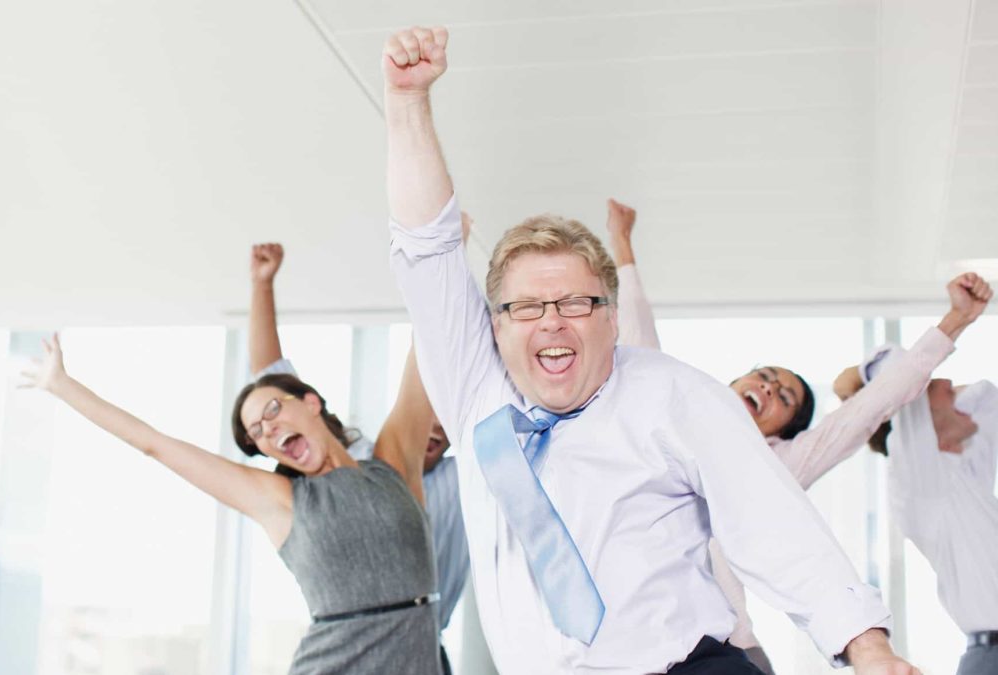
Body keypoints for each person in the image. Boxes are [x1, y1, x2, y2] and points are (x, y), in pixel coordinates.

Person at [382, 25, 918, 674]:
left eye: (577, 302)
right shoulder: (477, 394)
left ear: (612, 317)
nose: (552, 321)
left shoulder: (675, 393)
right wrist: (409, 104)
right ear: (495, 324)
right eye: (528, 306)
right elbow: (428, 250)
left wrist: (867, 644)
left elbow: (771, 519)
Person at [606, 199, 991, 673]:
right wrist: (622, 245)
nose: (768, 386)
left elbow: (871, 406)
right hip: (635, 646)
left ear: (780, 432)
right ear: (734, 384)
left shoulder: (777, 464)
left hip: (725, 649)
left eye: (783, 396)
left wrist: (957, 319)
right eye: (763, 375)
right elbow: (640, 346)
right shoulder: (671, 422)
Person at [21, 331, 444, 674]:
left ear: (312, 403)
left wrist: (437, 250)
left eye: (273, 409)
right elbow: (155, 445)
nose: (268, 428)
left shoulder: (393, 465)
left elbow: (422, 352)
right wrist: (62, 385)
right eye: (257, 432)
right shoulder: (282, 500)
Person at [246, 241, 469, 672]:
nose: (434, 430)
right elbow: (271, 386)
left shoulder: (465, 483)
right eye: (429, 418)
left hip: (423, 644)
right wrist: (262, 285)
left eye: (445, 424)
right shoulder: (353, 464)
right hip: (357, 643)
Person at [836, 283, 995, 675]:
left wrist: (944, 398)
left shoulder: (964, 479)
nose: (955, 389)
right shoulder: (920, 483)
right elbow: (894, 366)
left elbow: (988, 396)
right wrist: (857, 381)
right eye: (944, 391)